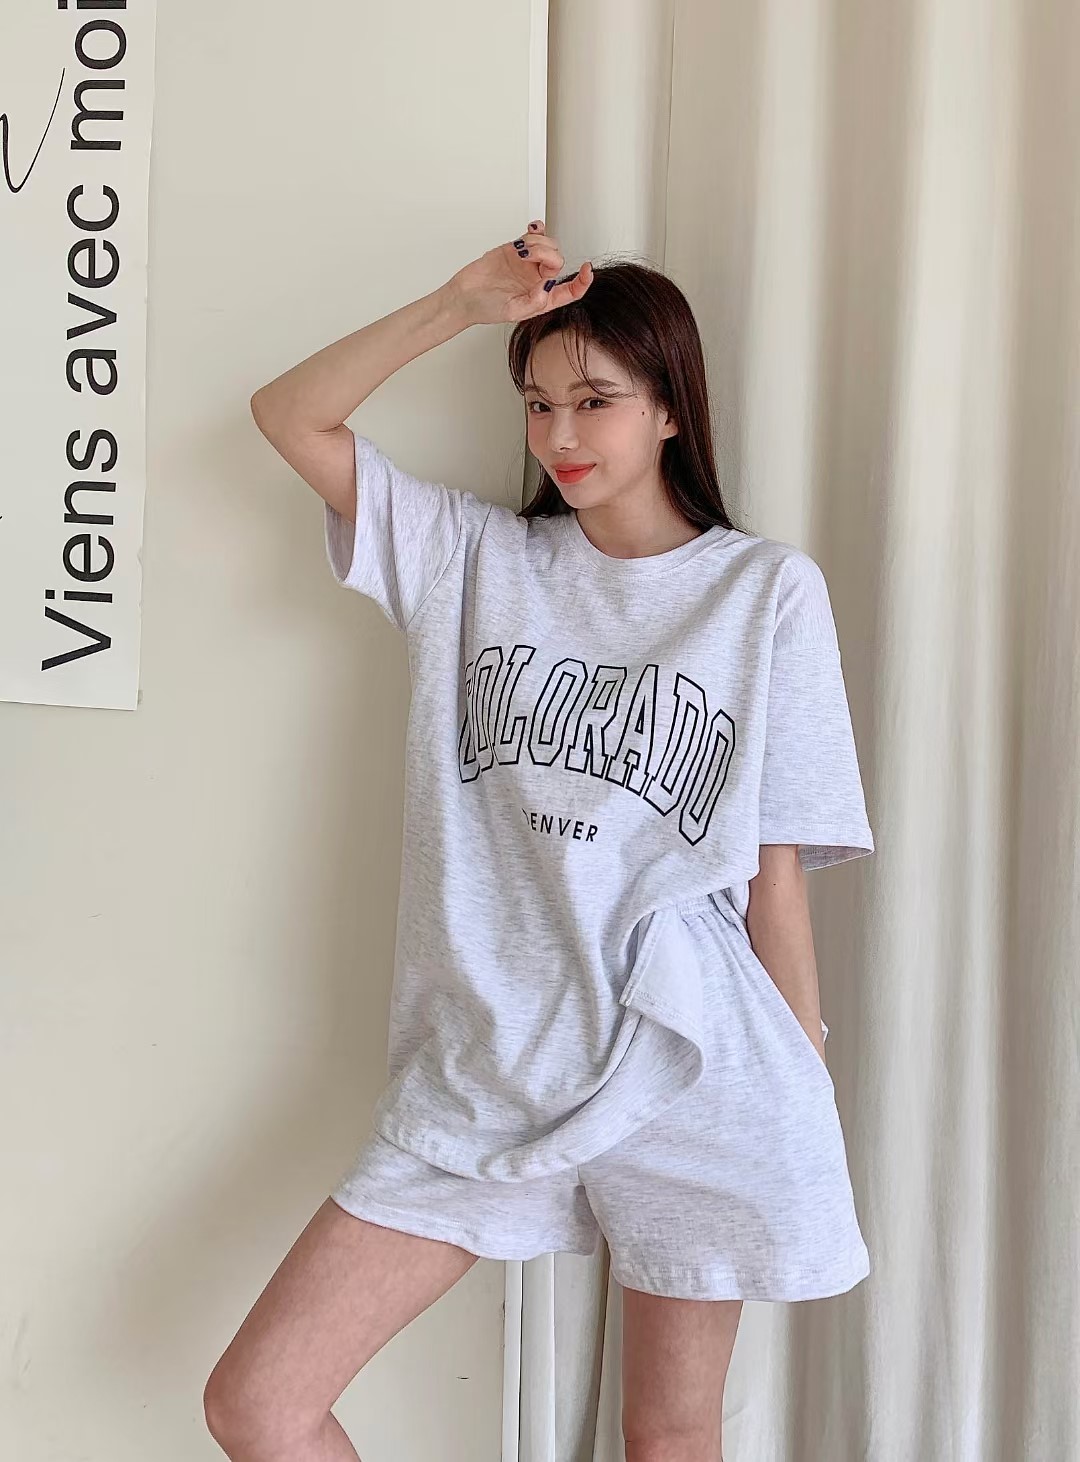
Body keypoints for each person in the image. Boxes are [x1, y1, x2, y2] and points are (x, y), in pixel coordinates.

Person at [203, 224, 875, 1462]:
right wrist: (459, 305)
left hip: (694, 1059)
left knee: (668, 1435)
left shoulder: (765, 593)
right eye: (539, 403)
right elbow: (289, 416)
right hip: (489, 1064)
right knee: (259, 1402)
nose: (561, 434)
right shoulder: (472, 560)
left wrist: (806, 1072)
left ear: (669, 409)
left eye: (596, 401)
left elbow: (772, 872)